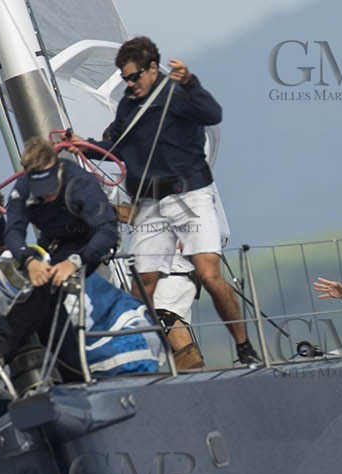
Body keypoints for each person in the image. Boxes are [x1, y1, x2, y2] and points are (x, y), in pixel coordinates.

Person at [92, 36, 257, 365]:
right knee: (143, 290)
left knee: (206, 279)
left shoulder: (177, 95)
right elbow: (115, 150)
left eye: (134, 76)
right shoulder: (129, 106)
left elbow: (212, 113)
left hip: (186, 209)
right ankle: (136, 357)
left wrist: (192, 83)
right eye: (125, 78)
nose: (130, 83)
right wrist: (80, 145)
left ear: (153, 68)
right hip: (154, 202)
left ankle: (243, 346)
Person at [0, 136, 120, 389]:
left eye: (51, 188)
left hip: (87, 243)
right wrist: (28, 260)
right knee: (47, 304)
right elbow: (14, 231)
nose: (47, 195)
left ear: (57, 167)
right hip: (52, 243)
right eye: (42, 191)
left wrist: (75, 261)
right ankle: (76, 379)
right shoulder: (24, 187)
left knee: (49, 285)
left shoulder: (81, 183)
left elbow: (108, 231)